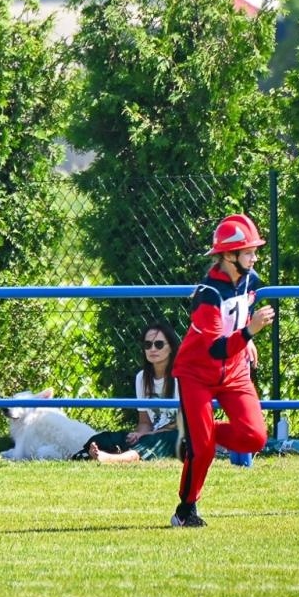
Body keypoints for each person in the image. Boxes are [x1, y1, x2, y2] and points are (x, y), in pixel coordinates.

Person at [171, 214, 273, 528]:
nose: (255, 257)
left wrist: (245, 333)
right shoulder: (207, 295)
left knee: (255, 437)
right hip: (197, 373)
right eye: (249, 251)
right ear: (229, 256)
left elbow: (243, 310)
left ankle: (201, 435)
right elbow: (215, 349)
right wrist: (249, 333)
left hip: (234, 372)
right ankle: (185, 510)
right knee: (202, 452)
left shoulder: (250, 280)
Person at [77, 321, 182, 463]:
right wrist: (139, 433)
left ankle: (114, 458)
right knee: (105, 438)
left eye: (159, 344)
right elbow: (144, 421)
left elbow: (182, 423)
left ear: (171, 348)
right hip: (150, 434)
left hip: (176, 435)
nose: (152, 349)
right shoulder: (142, 377)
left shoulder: (181, 377)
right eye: (147, 345)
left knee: (156, 441)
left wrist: (148, 435)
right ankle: (92, 453)